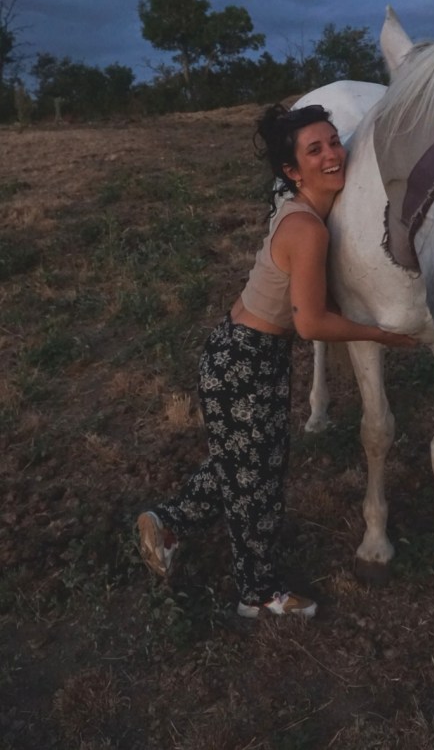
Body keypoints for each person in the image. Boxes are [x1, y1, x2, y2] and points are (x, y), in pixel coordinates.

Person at [137, 103, 417, 619]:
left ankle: (166, 521)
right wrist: (380, 335)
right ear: (292, 171)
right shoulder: (306, 230)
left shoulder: (301, 209)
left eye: (335, 141)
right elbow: (310, 325)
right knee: (256, 485)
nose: (334, 154)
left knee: (242, 468)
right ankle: (258, 596)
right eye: (316, 150)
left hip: (244, 353)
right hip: (245, 360)